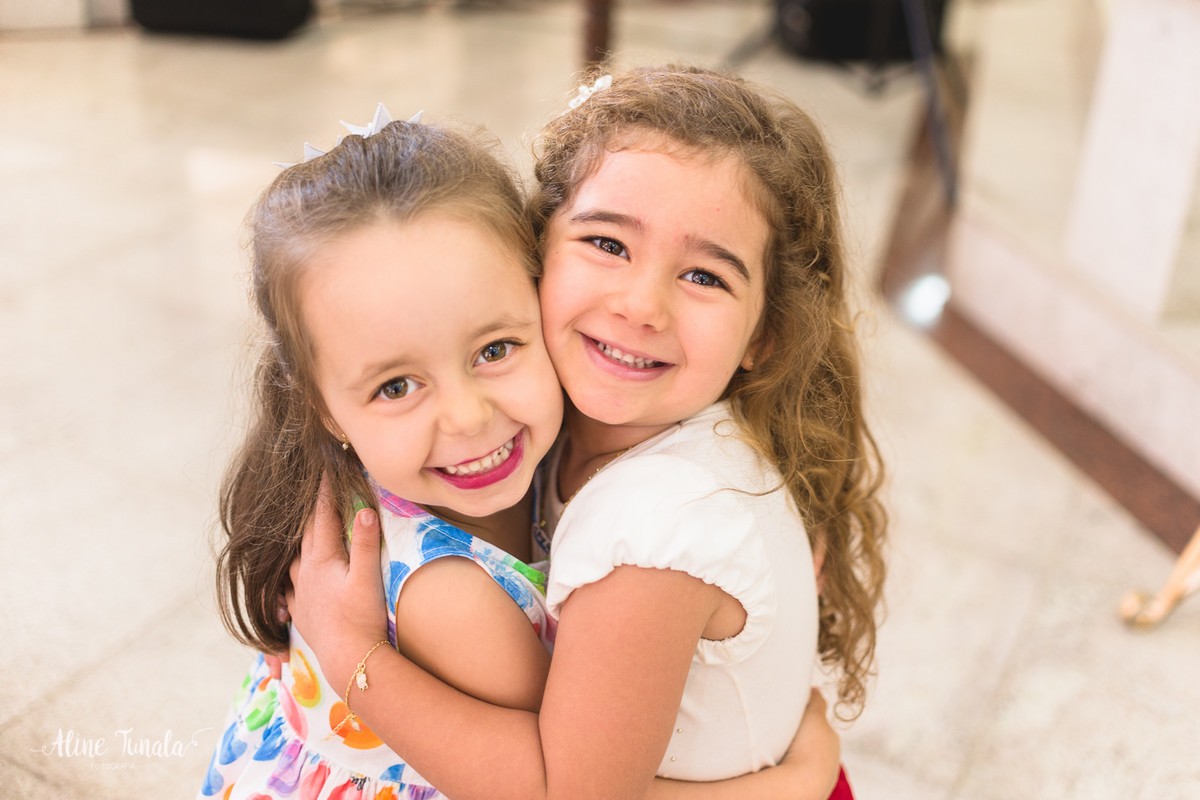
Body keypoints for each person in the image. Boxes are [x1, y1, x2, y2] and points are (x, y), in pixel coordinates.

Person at [201, 106, 841, 799]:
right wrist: (796, 784)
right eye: (397, 385)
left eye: (495, 350)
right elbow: (567, 786)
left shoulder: (576, 442)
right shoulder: (451, 600)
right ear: (323, 406)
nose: (470, 415)